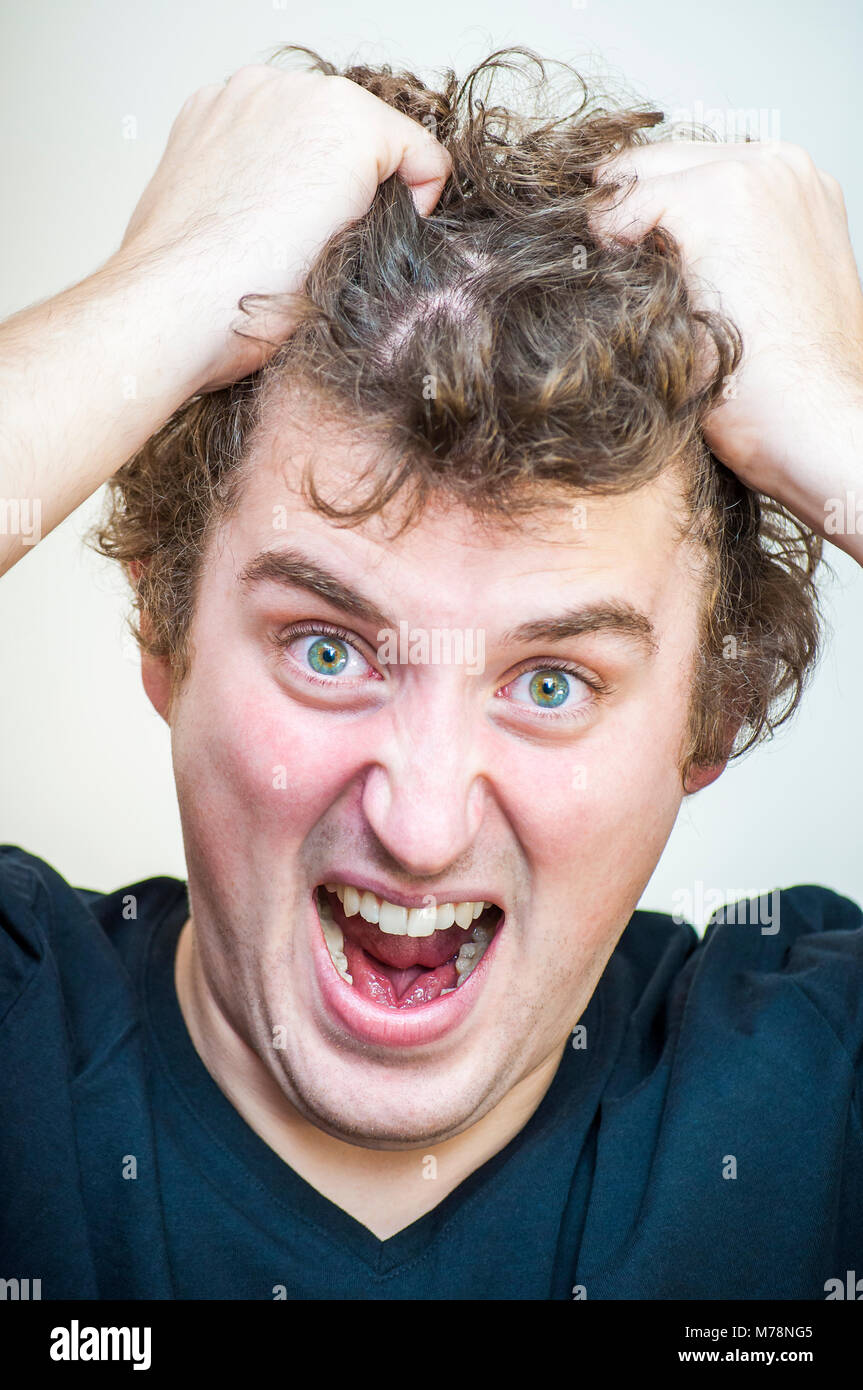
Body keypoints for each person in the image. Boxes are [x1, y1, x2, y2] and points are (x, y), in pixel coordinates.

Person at [1, 45, 861, 1300]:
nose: (419, 824)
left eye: (552, 681)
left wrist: (836, 417)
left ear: (709, 712)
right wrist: (159, 296)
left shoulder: (816, 1095)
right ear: (164, 633)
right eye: (329, 649)